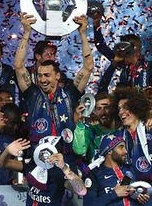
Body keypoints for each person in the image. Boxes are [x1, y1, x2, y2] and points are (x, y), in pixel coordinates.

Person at [13, 12, 94, 150]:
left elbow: (88, 67)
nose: (42, 80)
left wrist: (82, 33)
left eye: (47, 75)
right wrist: (27, 32)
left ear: (57, 76)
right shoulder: (33, 94)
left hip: (66, 153)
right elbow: (18, 65)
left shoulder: (70, 92)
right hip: (38, 153)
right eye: (40, 76)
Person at [0, 136, 87, 206]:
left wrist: (64, 167)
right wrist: (7, 150)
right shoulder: (32, 164)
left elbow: (81, 191)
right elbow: (1, 164)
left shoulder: (61, 170)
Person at [83, 134, 143, 206]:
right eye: (121, 147)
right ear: (109, 151)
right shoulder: (95, 174)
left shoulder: (130, 169)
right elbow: (88, 204)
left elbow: (142, 191)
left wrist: (140, 196)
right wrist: (114, 193)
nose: (126, 151)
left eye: (125, 147)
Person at [72, 92, 114, 161]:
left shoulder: (121, 130)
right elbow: (79, 151)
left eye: (106, 108)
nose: (103, 112)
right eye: (99, 108)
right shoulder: (90, 131)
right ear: (94, 111)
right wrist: (80, 124)